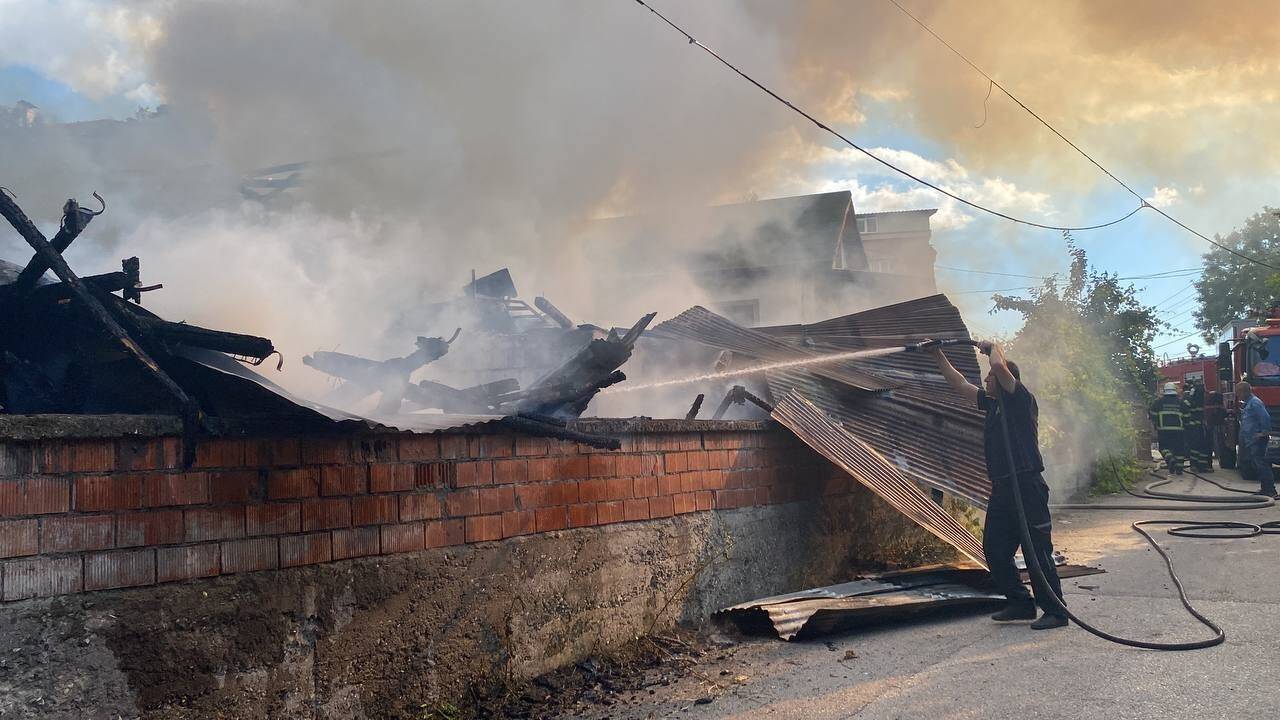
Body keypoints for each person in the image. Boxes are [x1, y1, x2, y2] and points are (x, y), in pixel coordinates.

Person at [928, 340, 1067, 630]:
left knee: (1036, 551)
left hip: (1026, 485)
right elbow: (960, 384)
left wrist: (993, 347)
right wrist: (937, 354)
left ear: (1005, 381)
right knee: (994, 548)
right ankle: (1019, 603)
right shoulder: (992, 406)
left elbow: (999, 365)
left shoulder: (1020, 400)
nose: (987, 380)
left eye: (990, 378)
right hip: (1003, 489)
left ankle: (1056, 610)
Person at [1235, 381, 1278, 498]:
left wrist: (1263, 432)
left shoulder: (1255, 403)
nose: (1237, 395)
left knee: (1262, 464)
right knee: (1258, 464)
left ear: (1244, 391)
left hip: (1257, 440)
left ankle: (1271, 490)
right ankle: (1265, 489)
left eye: (1238, 392)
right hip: (1251, 440)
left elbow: (1265, 417)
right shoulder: (1248, 403)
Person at [1149, 383, 1187, 474]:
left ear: (1165, 391)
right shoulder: (1181, 402)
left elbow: (1152, 414)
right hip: (1179, 431)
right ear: (1175, 390)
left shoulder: (1158, 402)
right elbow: (1187, 416)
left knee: (1164, 447)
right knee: (1179, 449)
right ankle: (1179, 469)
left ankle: (1170, 459)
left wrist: (1156, 422)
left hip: (1163, 430)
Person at [1182, 381, 1211, 472]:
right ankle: (1197, 465)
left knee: (1200, 446)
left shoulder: (1194, 399)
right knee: (1196, 446)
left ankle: (1198, 465)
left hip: (1197, 427)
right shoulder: (1192, 400)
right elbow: (1185, 413)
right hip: (1193, 427)